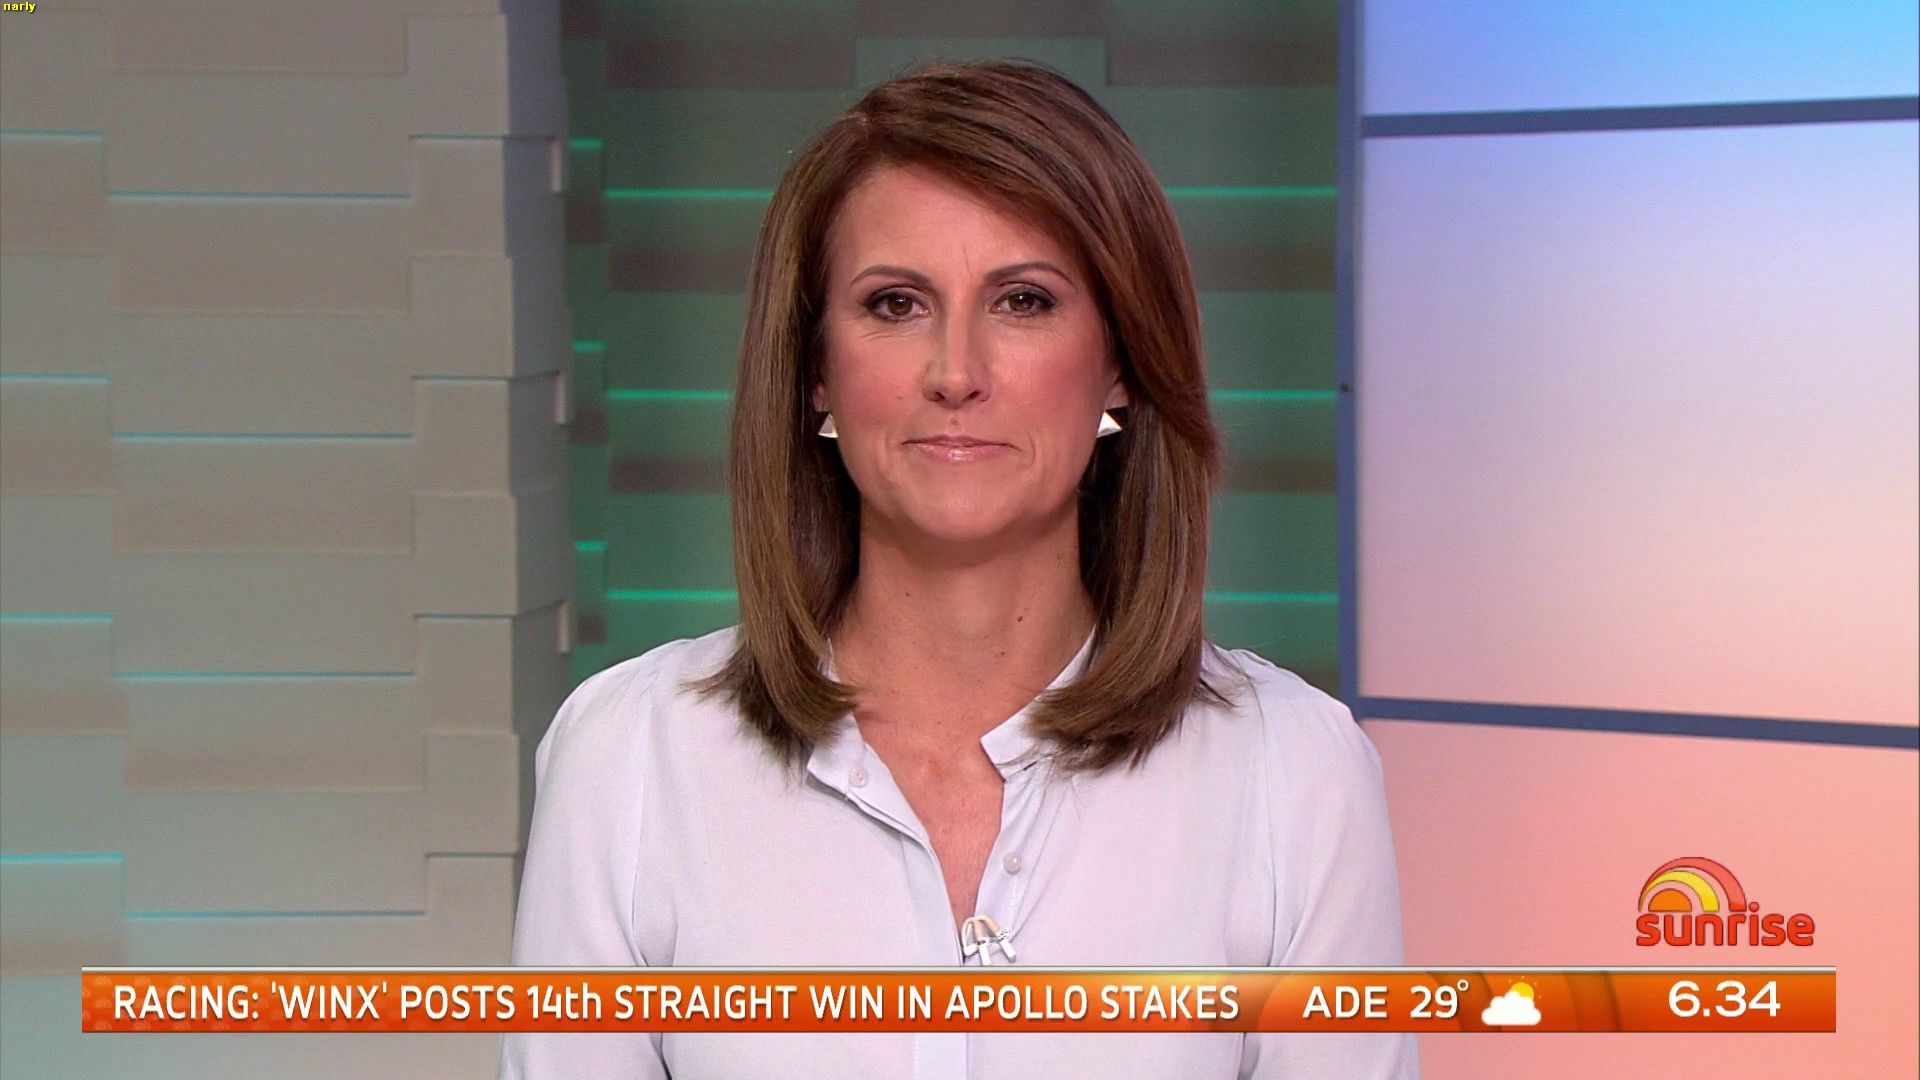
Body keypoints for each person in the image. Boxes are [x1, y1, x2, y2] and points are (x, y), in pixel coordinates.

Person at [502, 59, 1415, 1079]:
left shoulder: (1293, 773)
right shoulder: (629, 757)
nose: (956, 374)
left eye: (1023, 300)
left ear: (1119, 360)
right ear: (816, 370)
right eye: (896, 304)